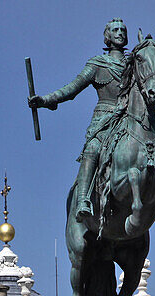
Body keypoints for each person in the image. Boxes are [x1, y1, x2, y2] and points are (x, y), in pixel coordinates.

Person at [29, 18, 129, 222]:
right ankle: (83, 198)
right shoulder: (97, 64)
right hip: (105, 119)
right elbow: (72, 88)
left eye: (122, 30)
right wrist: (46, 99)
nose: (120, 33)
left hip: (131, 116)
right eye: (115, 29)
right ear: (107, 36)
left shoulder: (136, 63)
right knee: (92, 149)